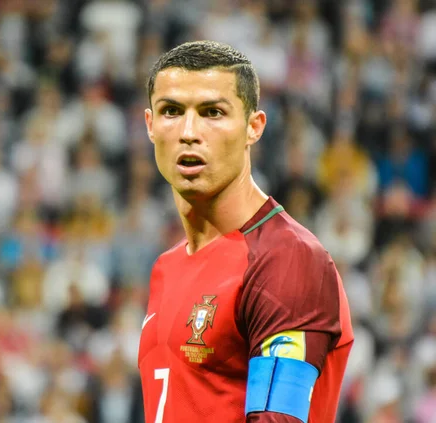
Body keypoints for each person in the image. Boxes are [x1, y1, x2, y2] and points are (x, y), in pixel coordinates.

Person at [138, 40, 354, 423]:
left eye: (212, 112)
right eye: (171, 111)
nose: (189, 131)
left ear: (254, 127)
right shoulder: (165, 268)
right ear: (150, 125)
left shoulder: (287, 260)